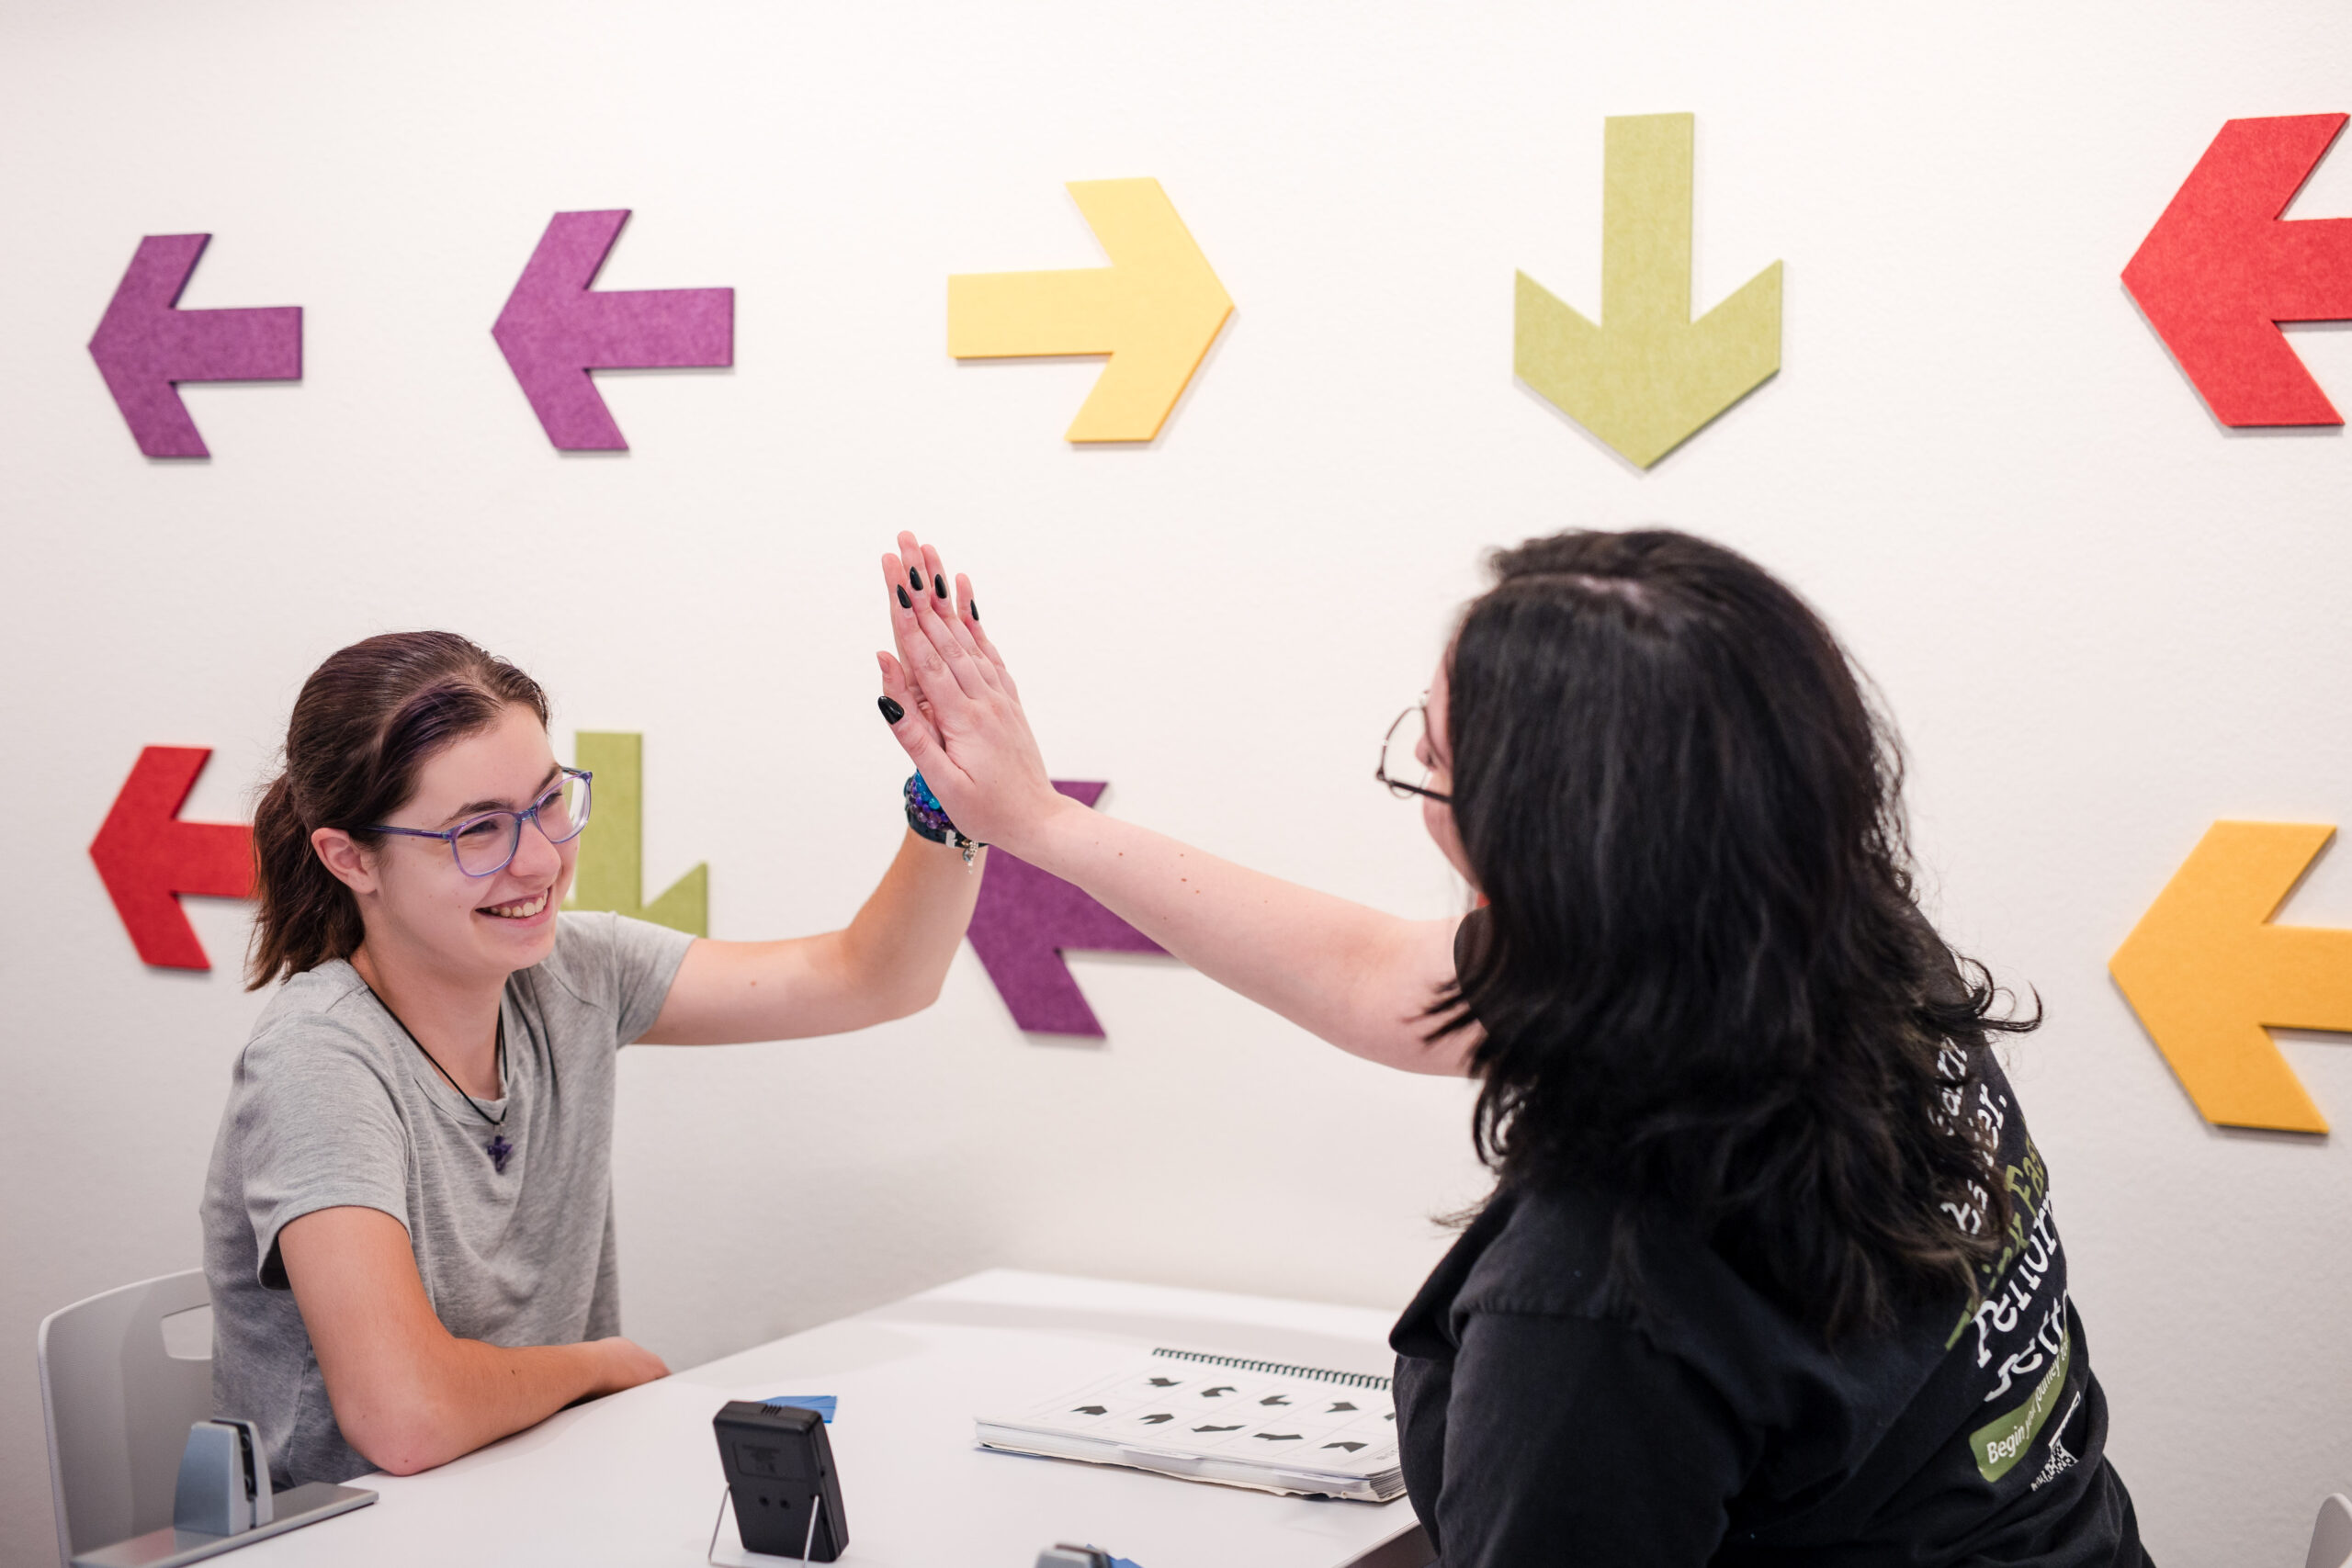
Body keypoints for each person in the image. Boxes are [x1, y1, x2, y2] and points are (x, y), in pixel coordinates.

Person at [875, 527, 2148, 1564]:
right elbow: (1380, 973)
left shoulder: (1604, 1294)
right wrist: (1034, 820)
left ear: (1550, 859)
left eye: (1432, 766)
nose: (1425, 796)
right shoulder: (1829, 947)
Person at [203, 628, 984, 1487]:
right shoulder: (318, 1060)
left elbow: (876, 979)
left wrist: (945, 802)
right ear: (350, 857)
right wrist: (598, 1366)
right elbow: (404, 1415)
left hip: (543, 1497)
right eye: (478, 831)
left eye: (546, 803)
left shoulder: (569, 973)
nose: (539, 859)